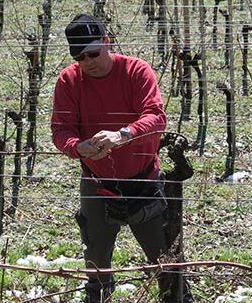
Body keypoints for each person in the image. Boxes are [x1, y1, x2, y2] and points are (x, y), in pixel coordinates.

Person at [51, 14, 191, 302]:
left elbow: (156, 117)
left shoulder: (137, 71)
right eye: (80, 56)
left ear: (107, 41)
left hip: (143, 181)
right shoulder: (68, 81)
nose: (88, 61)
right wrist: (78, 147)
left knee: (163, 260)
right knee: (96, 260)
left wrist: (123, 135)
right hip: (96, 183)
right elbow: (60, 131)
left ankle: (176, 297)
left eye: (93, 52)